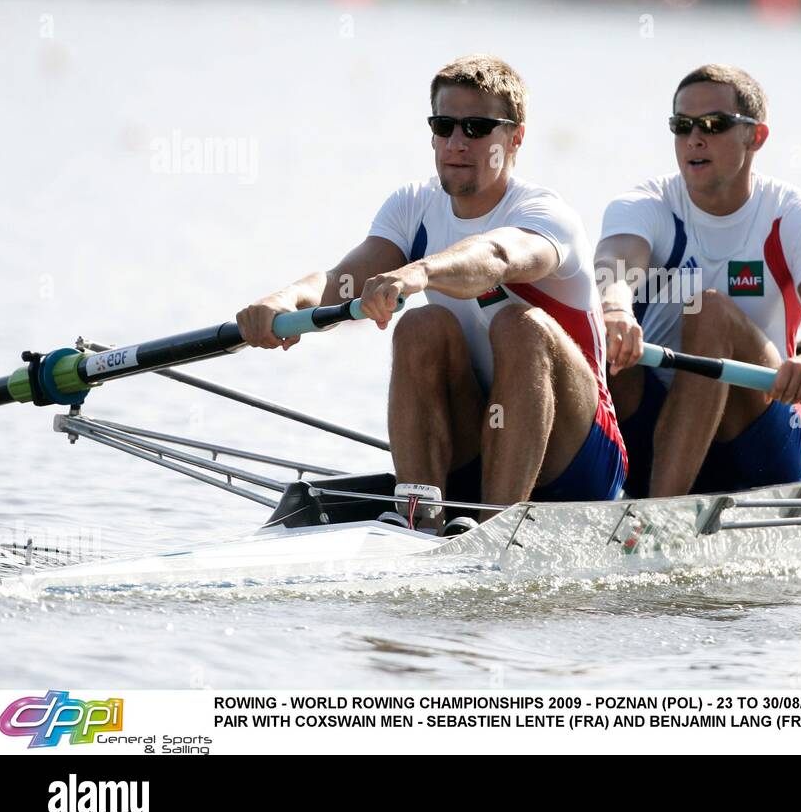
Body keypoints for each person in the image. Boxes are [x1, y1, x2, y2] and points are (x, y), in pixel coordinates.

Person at [237, 55, 625, 530]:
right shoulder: (413, 207)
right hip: (481, 440)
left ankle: (497, 525)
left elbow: (496, 257)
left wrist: (419, 273)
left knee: (519, 325)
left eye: (478, 128)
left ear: (515, 137)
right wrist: (283, 301)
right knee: (420, 324)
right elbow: (340, 282)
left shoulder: (545, 214)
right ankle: (418, 516)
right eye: (445, 126)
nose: (458, 143)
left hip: (579, 459)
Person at [596, 63, 801, 497]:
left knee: (708, 311)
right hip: (651, 427)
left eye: (714, 124)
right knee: (589, 329)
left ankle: (661, 516)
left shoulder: (794, 216)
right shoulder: (643, 204)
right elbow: (615, 261)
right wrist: (614, 306)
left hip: (759, 443)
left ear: (755, 137)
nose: (694, 139)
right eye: (681, 126)